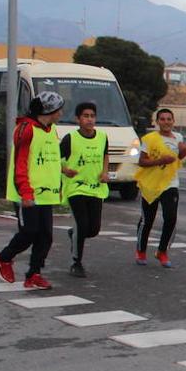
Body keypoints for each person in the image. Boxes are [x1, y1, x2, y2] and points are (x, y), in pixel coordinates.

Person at [0, 91, 65, 289]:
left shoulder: (52, 130)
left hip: (46, 194)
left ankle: (33, 274)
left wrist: (62, 173)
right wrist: (26, 192)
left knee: (46, 237)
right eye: (59, 109)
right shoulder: (26, 130)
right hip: (27, 193)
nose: (61, 113)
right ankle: (4, 258)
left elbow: (49, 158)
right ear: (49, 110)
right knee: (29, 232)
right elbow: (20, 164)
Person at [59, 101, 113, 277]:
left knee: (93, 229)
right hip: (76, 187)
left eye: (92, 116)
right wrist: (65, 169)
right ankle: (76, 263)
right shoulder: (70, 139)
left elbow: (105, 155)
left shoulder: (102, 137)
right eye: (85, 116)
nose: (89, 120)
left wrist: (105, 172)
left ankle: (74, 234)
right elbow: (55, 160)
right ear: (78, 119)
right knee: (82, 224)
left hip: (96, 188)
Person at [134, 107, 186, 268]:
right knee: (147, 219)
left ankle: (162, 251)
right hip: (151, 184)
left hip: (170, 183)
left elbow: (177, 159)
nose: (166, 122)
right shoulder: (149, 139)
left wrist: (183, 152)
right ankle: (141, 250)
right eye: (162, 119)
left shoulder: (178, 137)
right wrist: (159, 161)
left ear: (173, 121)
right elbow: (142, 161)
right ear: (157, 122)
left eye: (169, 119)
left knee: (171, 218)